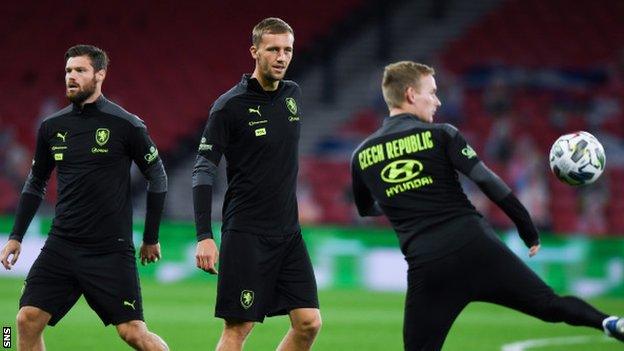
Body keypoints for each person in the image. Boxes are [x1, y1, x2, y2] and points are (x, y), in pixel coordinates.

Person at [350, 61, 624, 350]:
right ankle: (609, 323)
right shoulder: (442, 134)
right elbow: (487, 181)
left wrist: (400, 200)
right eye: (432, 92)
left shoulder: (361, 155)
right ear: (410, 94)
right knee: (549, 305)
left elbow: (366, 209)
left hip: (428, 266)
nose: (438, 100)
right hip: (476, 247)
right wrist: (526, 227)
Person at [0, 45, 169, 351]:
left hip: (109, 249)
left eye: (80, 70)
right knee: (25, 319)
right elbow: (35, 182)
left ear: (100, 75)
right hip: (62, 244)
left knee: (133, 333)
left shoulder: (126, 125)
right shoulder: (52, 127)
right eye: (68, 71)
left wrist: (151, 237)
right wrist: (16, 236)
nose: (72, 77)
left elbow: (157, 175)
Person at [192, 18, 321, 351]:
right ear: (254, 51)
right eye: (273, 49)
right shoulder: (228, 107)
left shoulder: (293, 94)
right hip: (246, 232)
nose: (281, 57)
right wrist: (205, 236)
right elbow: (203, 169)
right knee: (239, 328)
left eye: (287, 50)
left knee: (308, 322)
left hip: (289, 233)